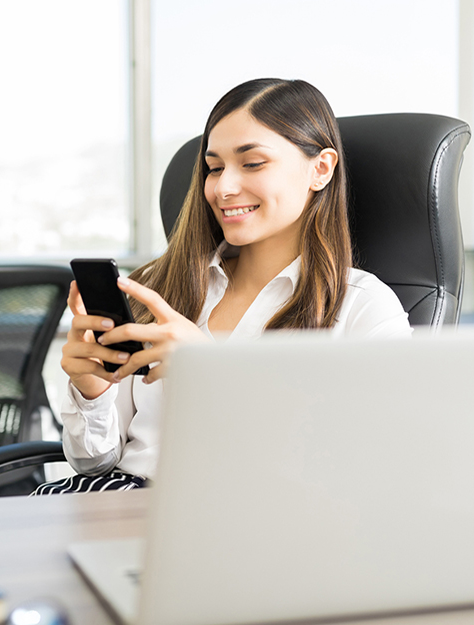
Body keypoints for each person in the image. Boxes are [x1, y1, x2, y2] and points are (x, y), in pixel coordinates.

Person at [34, 78, 412, 495]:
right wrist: (93, 392)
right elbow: (94, 462)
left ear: (320, 169)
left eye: (252, 164)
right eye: (214, 168)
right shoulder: (159, 289)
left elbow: (370, 476)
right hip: (123, 509)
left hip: (252, 526)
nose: (223, 188)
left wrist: (212, 375)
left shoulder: (363, 310)